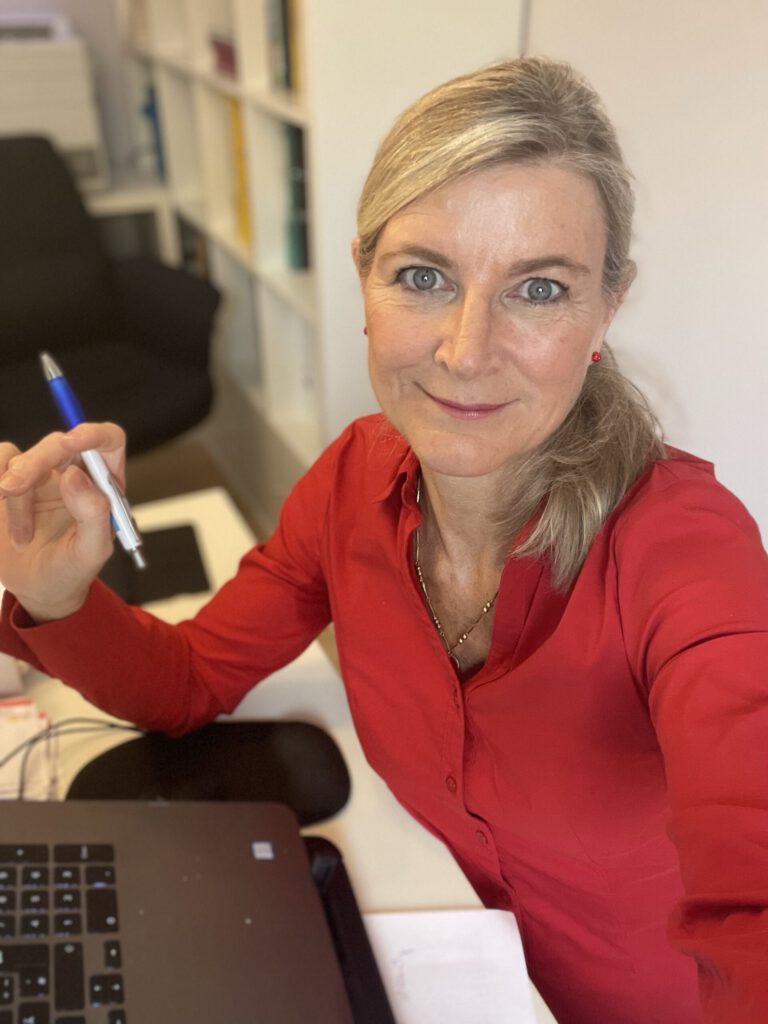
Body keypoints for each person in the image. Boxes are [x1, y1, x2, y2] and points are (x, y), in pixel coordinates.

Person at [0, 56, 766, 1024]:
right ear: (363, 276)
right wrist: (58, 594)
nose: (464, 348)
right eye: (423, 276)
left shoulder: (686, 552)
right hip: (415, 955)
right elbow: (188, 684)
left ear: (607, 306)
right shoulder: (354, 479)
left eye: (538, 289)